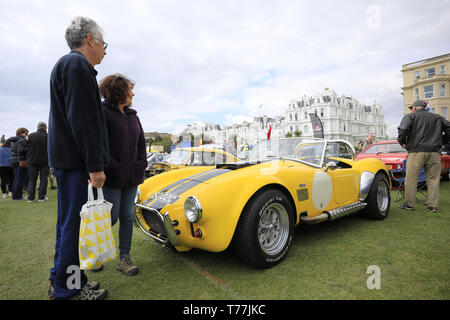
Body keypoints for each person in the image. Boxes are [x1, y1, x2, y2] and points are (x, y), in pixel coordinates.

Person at [47, 16, 109, 300]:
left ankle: (68, 278)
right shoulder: (77, 66)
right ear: (90, 40)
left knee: (69, 225)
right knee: (74, 226)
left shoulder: (68, 65)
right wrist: (95, 166)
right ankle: (68, 289)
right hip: (76, 164)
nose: (105, 51)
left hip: (68, 162)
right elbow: (84, 121)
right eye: (104, 44)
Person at [98, 73, 147, 276]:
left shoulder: (134, 115)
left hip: (132, 176)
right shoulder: (102, 112)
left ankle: (124, 258)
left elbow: (141, 143)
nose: (133, 93)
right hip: (111, 177)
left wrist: (141, 164)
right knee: (111, 217)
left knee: (127, 217)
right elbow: (97, 143)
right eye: (129, 90)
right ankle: (95, 253)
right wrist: (109, 166)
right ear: (119, 92)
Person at [397, 99, 450, 212]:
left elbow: (402, 129)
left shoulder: (411, 116)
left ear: (415, 108)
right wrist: (443, 143)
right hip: (434, 152)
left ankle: (409, 205)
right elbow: (449, 129)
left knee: (411, 179)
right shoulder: (438, 117)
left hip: (416, 152)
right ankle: (433, 206)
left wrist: (402, 142)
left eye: (412, 108)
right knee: (433, 179)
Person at [26, 122, 50, 203]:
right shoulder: (48, 136)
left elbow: (26, 147)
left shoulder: (30, 135)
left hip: (32, 161)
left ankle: (30, 198)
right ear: (45, 128)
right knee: (44, 179)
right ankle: (41, 197)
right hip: (45, 161)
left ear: (37, 127)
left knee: (32, 180)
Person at [5, 128, 29, 200]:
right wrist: (29, 148)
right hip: (20, 161)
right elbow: (22, 150)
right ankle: (18, 196)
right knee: (20, 179)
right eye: (26, 133)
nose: (27, 135)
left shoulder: (12, 140)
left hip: (13, 160)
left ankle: (14, 196)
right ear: (21, 133)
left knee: (16, 178)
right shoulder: (22, 140)